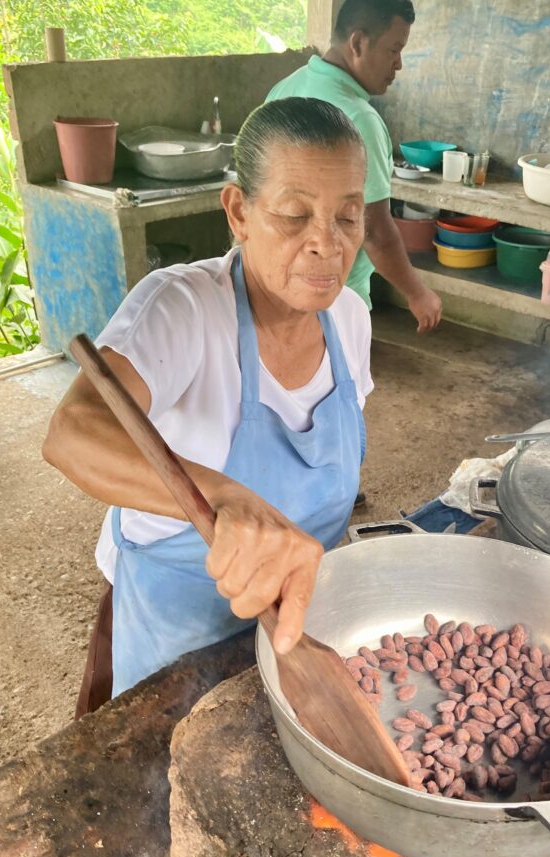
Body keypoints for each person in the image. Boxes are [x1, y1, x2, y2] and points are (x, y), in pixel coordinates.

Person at [42, 98, 375, 718]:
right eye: (295, 215)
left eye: (348, 218)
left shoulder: (350, 322)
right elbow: (72, 433)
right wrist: (222, 496)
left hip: (292, 641)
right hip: (175, 649)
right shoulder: (183, 309)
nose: (325, 245)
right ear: (238, 212)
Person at [267, 0, 441, 335]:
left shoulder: (286, 87)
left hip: (276, 289)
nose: (399, 64)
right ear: (358, 43)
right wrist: (417, 293)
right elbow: (375, 230)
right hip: (333, 298)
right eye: (394, 49)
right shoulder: (359, 118)